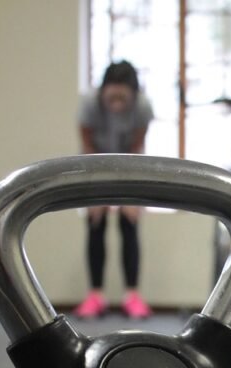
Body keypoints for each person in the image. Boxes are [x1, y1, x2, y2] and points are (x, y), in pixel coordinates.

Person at [74, 61, 155, 319]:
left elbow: (137, 146)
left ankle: (132, 296)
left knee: (129, 222)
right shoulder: (89, 104)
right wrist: (96, 192)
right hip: (94, 163)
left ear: (133, 95)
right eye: (112, 96)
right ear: (103, 91)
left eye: (123, 97)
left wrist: (131, 196)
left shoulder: (142, 106)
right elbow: (87, 146)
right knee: (95, 222)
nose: (117, 103)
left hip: (129, 163)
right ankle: (95, 295)